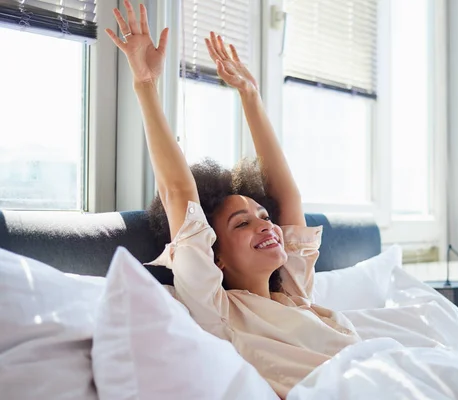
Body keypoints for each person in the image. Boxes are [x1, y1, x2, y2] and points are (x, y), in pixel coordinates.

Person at [106, 1, 361, 397]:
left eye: (262, 216)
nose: (265, 224)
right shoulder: (218, 310)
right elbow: (179, 193)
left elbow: (286, 196)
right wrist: (145, 84)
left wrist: (250, 95)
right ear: (215, 256)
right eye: (241, 223)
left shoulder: (292, 294)